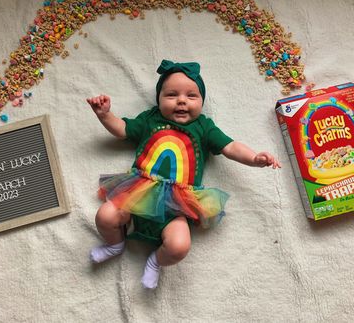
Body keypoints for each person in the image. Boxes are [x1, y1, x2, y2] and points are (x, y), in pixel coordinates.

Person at [87, 59, 281, 289]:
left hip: (177, 204)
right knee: (105, 216)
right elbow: (122, 130)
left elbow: (230, 147)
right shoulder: (150, 120)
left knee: (179, 246)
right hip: (137, 193)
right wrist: (105, 115)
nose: (181, 101)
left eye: (191, 96)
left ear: (201, 101)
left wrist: (254, 158)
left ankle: (156, 261)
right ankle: (115, 244)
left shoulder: (204, 127)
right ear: (158, 99)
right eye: (171, 95)